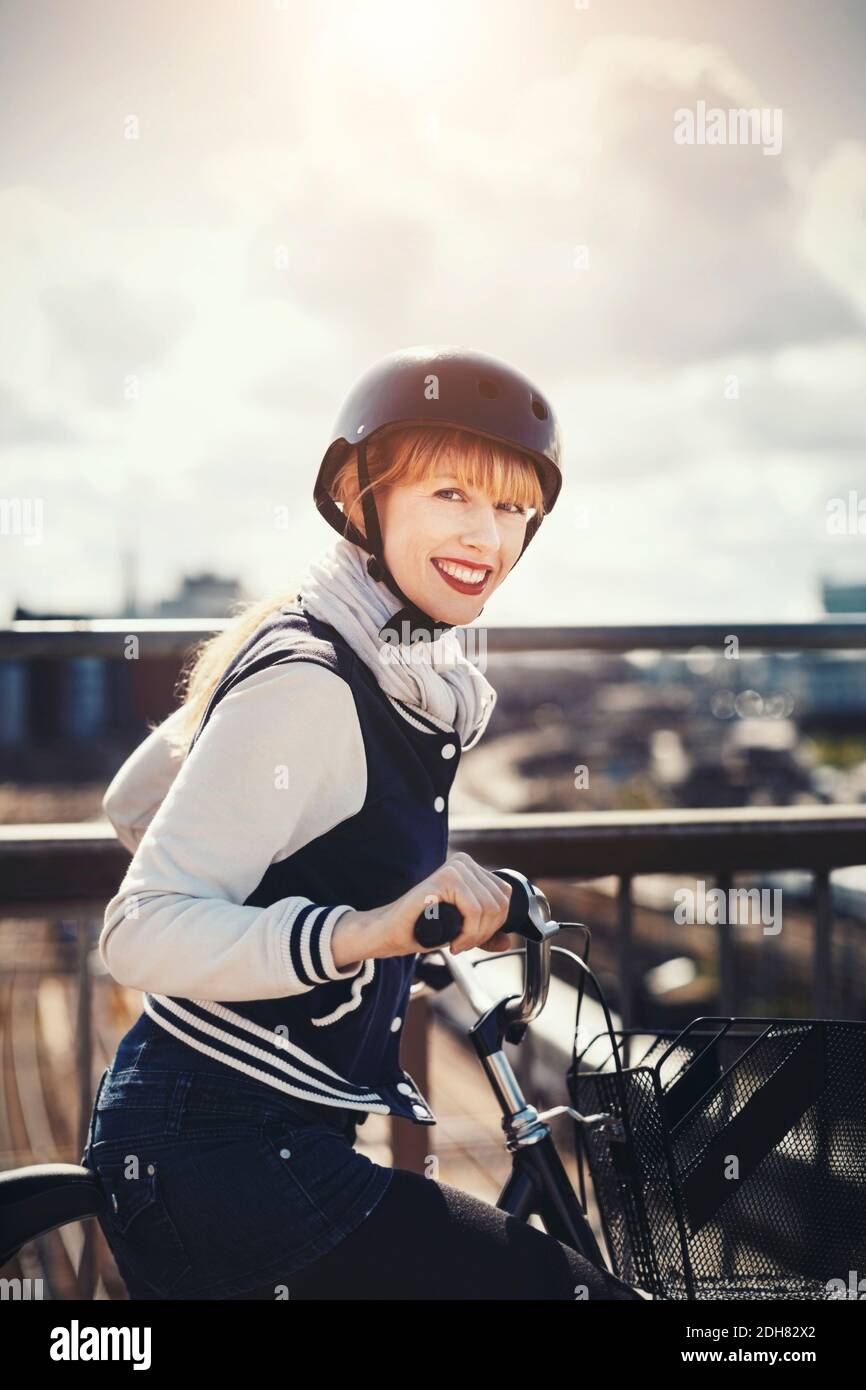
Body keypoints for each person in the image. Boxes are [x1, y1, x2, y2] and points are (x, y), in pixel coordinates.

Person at [82, 345, 642, 1301]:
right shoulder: (314, 678)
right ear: (361, 497)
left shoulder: (358, 651)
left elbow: (134, 803)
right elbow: (138, 931)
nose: (487, 537)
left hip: (231, 1139)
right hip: (227, 1153)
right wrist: (359, 932)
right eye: (452, 495)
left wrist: (332, 900)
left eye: (513, 509)